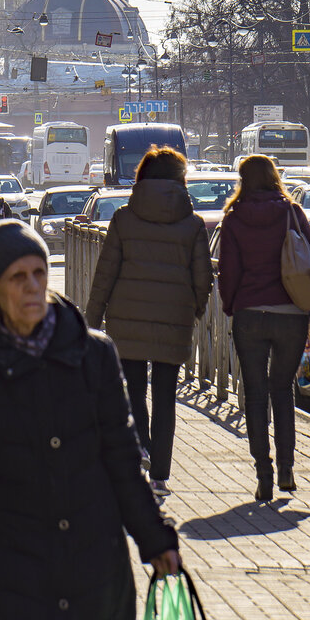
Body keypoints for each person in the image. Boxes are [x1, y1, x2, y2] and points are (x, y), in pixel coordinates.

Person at [0, 220, 180, 620]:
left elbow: (122, 458)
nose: (33, 287)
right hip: (6, 580)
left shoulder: (93, 354)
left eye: (39, 273)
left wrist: (155, 540)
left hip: (94, 572)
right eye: (17, 278)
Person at [85, 146, 212, 498]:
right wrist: (193, 309)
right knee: (166, 397)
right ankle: (160, 474)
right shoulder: (193, 224)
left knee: (134, 389)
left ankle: (141, 444)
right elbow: (203, 279)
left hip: (127, 321)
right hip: (174, 319)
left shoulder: (124, 218)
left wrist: (92, 320)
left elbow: (105, 273)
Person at [218, 154, 310, 501]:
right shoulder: (292, 212)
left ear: (243, 181)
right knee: (282, 390)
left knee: (254, 393)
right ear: (274, 177)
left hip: (249, 313)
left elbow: (228, 272)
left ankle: (263, 474)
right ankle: (288, 469)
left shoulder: (233, 220)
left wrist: (231, 305)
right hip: (290, 314)